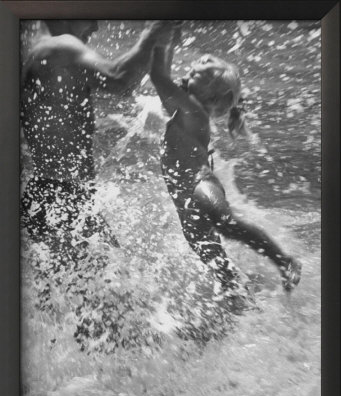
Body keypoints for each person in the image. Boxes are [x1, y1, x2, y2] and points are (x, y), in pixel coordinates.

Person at [149, 30, 301, 309]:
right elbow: (164, 78)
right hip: (185, 200)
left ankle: (284, 259)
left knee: (225, 224)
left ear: (209, 96)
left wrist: (159, 35)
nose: (186, 74)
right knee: (219, 266)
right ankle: (244, 306)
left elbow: (158, 76)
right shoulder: (182, 108)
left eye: (194, 75)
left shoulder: (193, 110)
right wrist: (167, 41)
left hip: (199, 184)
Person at [21, 20, 173, 265]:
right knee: (116, 288)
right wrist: (150, 34)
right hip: (63, 201)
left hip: (46, 194)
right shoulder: (62, 47)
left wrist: (158, 44)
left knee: (64, 294)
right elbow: (121, 80)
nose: (95, 27)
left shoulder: (31, 46)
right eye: (90, 16)